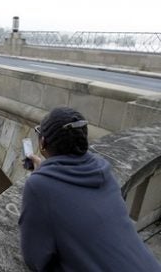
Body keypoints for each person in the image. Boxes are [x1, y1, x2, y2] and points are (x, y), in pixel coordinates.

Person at [18, 107, 161, 272]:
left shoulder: (38, 187)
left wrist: (41, 179)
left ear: (42, 143)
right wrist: (46, 173)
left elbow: (35, 260)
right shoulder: (103, 169)